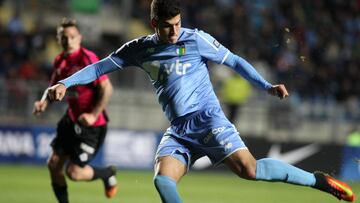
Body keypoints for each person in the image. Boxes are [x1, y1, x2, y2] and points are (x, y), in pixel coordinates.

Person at [45, 2, 355, 202]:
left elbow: (232, 61)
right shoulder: (138, 49)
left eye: (178, 23)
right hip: (179, 129)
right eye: (168, 26)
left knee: (250, 170)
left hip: (208, 118)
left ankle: (319, 181)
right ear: (154, 23)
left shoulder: (195, 39)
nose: (175, 30)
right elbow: (100, 67)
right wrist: (64, 83)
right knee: (163, 181)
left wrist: (265, 85)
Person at [33, 18, 117, 203]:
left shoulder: (87, 58)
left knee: (75, 173)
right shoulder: (60, 61)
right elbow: (52, 88)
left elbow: (107, 89)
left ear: (79, 38)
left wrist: (93, 115)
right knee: (54, 164)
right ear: (59, 39)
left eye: (72, 37)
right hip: (71, 120)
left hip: (92, 126)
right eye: (64, 37)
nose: (68, 41)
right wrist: (43, 103)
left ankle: (107, 173)